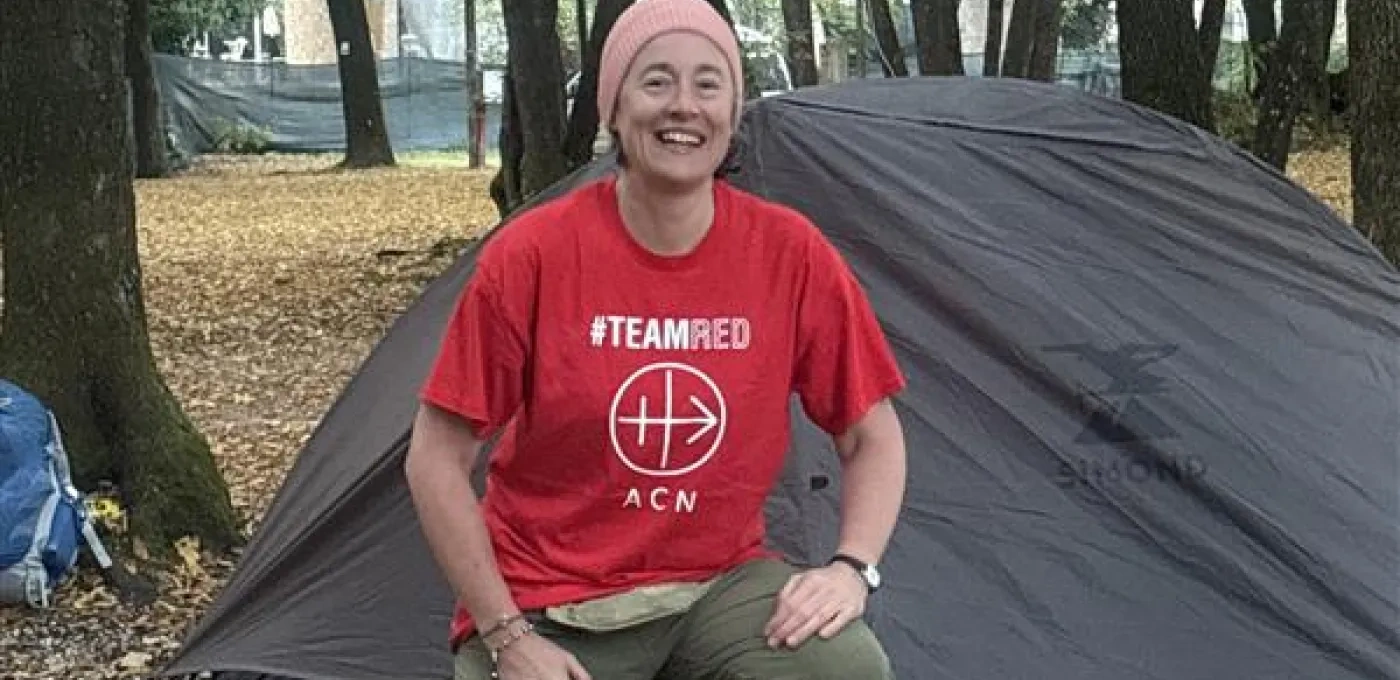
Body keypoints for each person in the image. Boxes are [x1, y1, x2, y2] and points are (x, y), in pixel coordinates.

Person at [404, 0, 908, 678]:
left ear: (733, 110)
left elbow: (871, 434)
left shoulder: (789, 253)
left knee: (843, 668)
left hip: (717, 586)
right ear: (613, 108)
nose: (684, 106)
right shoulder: (533, 255)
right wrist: (507, 634)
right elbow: (434, 458)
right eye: (656, 81)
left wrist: (852, 569)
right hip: (549, 599)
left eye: (708, 84)